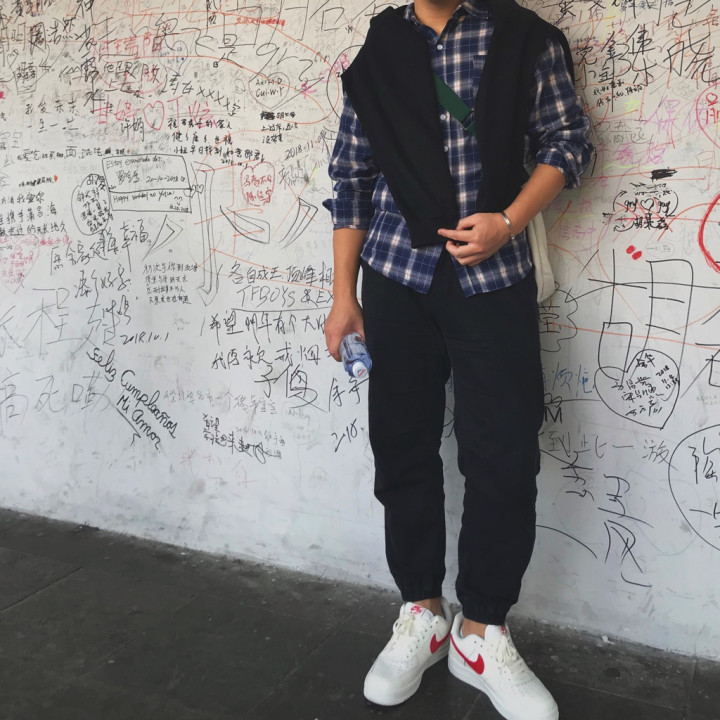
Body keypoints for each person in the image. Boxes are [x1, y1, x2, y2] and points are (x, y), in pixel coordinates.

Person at [323, 0, 593, 718]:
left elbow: (569, 142)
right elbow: (351, 179)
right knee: (402, 448)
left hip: (494, 278)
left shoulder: (525, 39)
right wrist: (343, 297)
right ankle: (422, 613)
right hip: (394, 277)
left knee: (504, 454)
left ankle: (482, 631)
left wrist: (508, 221)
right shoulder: (380, 49)